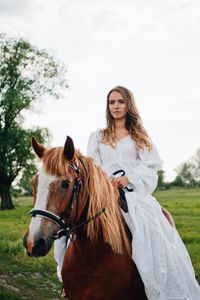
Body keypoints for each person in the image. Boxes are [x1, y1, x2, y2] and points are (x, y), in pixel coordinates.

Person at [54, 86, 200, 299]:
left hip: (132, 191)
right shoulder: (97, 136)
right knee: (71, 226)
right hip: (102, 191)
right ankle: (69, 279)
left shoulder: (139, 136)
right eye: (112, 102)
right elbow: (93, 167)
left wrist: (128, 178)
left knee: (151, 227)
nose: (116, 106)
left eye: (120, 102)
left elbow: (150, 167)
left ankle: (151, 279)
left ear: (128, 104)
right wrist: (104, 183)